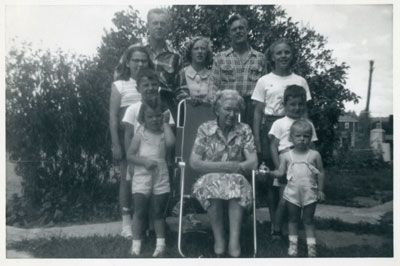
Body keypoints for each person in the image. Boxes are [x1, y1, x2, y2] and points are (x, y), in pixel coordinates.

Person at [251, 38, 312, 236]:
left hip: (295, 128)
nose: (283, 56)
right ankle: (274, 222)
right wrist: (258, 142)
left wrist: (307, 136)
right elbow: (258, 113)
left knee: (294, 174)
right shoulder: (264, 80)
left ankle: (290, 220)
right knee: (274, 178)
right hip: (271, 127)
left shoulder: (300, 80)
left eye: (287, 52)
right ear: (272, 57)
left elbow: (305, 112)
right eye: (279, 53)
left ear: (292, 55)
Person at [189, 90, 258, 258]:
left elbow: (253, 162)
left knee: (236, 183)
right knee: (214, 182)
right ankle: (219, 240)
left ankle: (234, 242)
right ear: (217, 109)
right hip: (209, 179)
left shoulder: (244, 130)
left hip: (235, 179)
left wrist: (228, 169)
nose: (232, 114)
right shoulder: (205, 129)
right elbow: (194, 163)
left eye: (236, 110)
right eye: (227, 109)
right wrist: (230, 166)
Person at [109, 45, 152, 239]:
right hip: (127, 137)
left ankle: (144, 221)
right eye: (136, 60)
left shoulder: (151, 83)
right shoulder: (120, 85)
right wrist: (116, 144)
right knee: (127, 180)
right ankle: (126, 223)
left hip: (149, 137)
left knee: (147, 179)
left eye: (143, 60)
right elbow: (112, 117)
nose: (140, 64)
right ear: (128, 62)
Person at [267, 119, 325, 257]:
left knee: (308, 220)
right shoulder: (285, 156)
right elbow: (280, 172)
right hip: (292, 194)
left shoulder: (315, 155)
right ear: (291, 138)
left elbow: (321, 172)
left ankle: (312, 248)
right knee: (292, 220)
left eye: (306, 136)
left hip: (310, 193)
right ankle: (293, 247)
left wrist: (321, 190)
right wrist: (268, 173)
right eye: (298, 136)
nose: (302, 139)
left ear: (310, 138)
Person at [126, 98, 176, 258]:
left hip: (160, 175)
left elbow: (171, 143)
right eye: (150, 116)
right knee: (140, 211)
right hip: (142, 175)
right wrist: (144, 161)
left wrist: (167, 124)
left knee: (158, 211)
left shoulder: (164, 132)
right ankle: (136, 245)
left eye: (158, 116)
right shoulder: (140, 133)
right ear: (143, 118)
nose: (155, 119)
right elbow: (130, 155)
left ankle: (160, 245)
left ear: (163, 116)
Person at [268, 85, 318, 239]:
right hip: (285, 164)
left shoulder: (308, 124)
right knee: (284, 201)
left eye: (300, 104)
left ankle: (297, 228)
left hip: (302, 167)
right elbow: (273, 146)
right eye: (292, 104)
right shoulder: (279, 123)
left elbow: (313, 147)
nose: (297, 108)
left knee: (302, 200)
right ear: (285, 105)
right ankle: (276, 229)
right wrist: (279, 168)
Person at [208, 14, 266, 126]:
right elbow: (213, 86)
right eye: (234, 29)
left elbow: (266, 88)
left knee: (253, 142)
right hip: (229, 109)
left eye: (241, 28)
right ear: (230, 33)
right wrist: (217, 110)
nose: (238, 31)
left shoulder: (260, 58)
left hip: (253, 110)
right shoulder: (220, 58)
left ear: (247, 30)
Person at [143, 8, 183, 122]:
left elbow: (181, 88)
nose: (159, 26)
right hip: (139, 104)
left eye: (162, 24)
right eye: (155, 23)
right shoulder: (136, 50)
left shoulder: (175, 56)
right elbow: (121, 77)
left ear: (167, 28)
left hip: (166, 107)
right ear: (148, 26)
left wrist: (185, 102)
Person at [177, 36, 213, 101]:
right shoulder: (182, 73)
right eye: (196, 48)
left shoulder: (212, 75)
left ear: (207, 53)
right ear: (190, 52)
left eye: (203, 49)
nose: (200, 51)